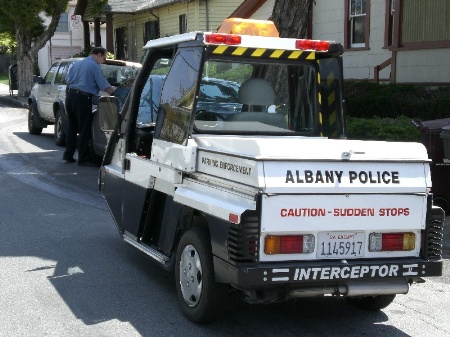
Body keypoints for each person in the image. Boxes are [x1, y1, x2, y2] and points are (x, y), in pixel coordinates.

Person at [63, 47, 116, 166]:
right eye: (104, 57)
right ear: (99, 55)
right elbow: (103, 84)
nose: (104, 60)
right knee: (84, 128)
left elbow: (68, 79)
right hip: (83, 98)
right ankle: (82, 158)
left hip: (70, 96)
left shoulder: (77, 64)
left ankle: (68, 154)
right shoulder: (94, 66)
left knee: (72, 126)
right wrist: (115, 94)